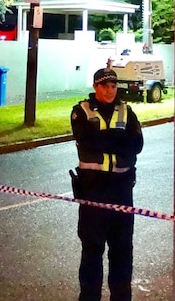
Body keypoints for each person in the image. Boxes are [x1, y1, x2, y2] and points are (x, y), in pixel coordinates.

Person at [70, 67, 144, 301]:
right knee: (92, 250)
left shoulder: (127, 111)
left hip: (122, 190)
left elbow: (137, 145)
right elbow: (88, 141)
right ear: (95, 87)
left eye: (113, 86)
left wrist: (108, 140)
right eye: (105, 86)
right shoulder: (81, 111)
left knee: (122, 251)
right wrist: (118, 139)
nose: (110, 90)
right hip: (93, 190)